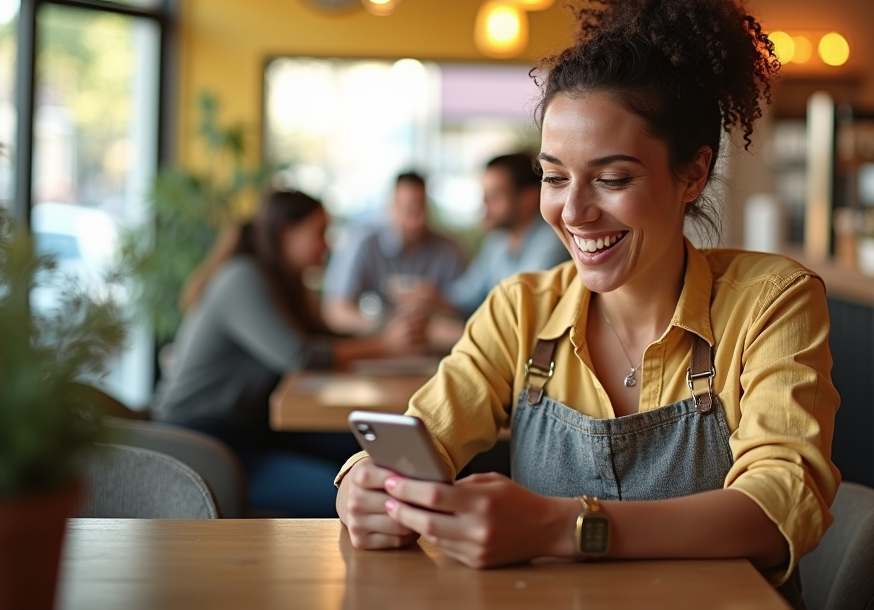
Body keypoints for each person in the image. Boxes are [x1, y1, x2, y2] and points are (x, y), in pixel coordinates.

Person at [334, 0, 840, 609]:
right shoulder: (520, 310)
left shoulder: (770, 301)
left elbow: (778, 509)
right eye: (554, 177)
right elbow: (421, 434)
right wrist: (360, 485)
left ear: (692, 173)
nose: (573, 212)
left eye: (612, 179)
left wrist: (563, 527)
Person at [155, 189, 425, 517]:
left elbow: (321, 338)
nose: (327, 245)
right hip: (206, 445)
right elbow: (300, 356)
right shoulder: (244, 277)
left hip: (252, 430)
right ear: (286, 232)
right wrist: (385, 344)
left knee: (366, 450)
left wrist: (385, 332)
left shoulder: (281, 280)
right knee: (350, 494)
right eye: (319, 233)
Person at [322, 171, 464, 336]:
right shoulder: (364, 243)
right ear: (391, 208)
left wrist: (437, 301)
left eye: (422, 209)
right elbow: (335, 312)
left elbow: (467, 309)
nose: (417, 219)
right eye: (409, 210)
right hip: (376, 347)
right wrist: (386, 329)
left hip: (434, 346)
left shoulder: (448, 249)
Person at [443, 153, 569, 319]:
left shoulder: (552, 242)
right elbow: (470, 293)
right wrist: (431, 298)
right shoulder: (498, 239)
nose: (484, 204)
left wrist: (455, 333)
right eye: (484, 195)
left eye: (494, 196)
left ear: (528, 199)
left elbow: (519, 315)